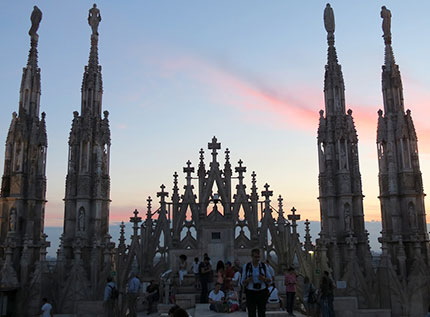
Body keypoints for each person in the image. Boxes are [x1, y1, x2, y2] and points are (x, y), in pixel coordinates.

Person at [241, 248, 272, 317]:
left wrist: (264, 279)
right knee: (251, 313)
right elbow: (242, 282)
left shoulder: (264, 266)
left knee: (262, 312)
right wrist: (248, 280)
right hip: (251, 292)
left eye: (258, 257)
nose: (257, 259)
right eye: (255, 257)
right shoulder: (247, 266)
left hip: (262, 292)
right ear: (252, 256)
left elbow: (270, 280)